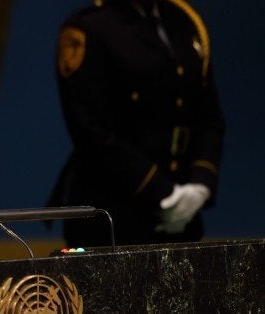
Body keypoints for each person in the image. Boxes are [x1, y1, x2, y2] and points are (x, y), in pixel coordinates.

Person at [48, 0, 225, 247]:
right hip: (113, 214)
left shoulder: (184, 21)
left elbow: (208, 116)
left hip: (184, 215)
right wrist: (164, 194)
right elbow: (89, 129)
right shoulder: (89, 27)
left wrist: (200, 186)